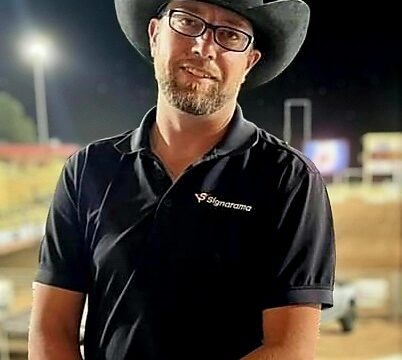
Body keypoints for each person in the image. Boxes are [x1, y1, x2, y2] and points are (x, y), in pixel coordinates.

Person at [28, 0, 336, 359]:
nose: (204, 47)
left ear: (249, 61)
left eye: (230, 35)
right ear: (156, 34)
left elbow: (289, 350)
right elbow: (51, 329)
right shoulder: (87, 171)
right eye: (188, 21)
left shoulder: (290, 180)